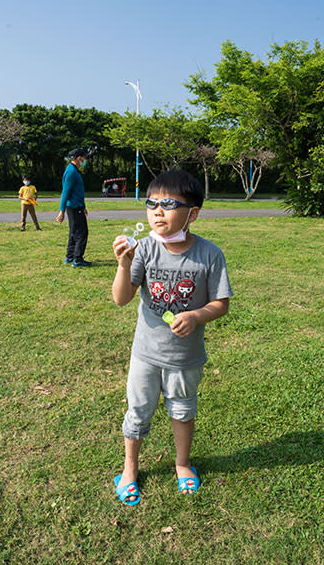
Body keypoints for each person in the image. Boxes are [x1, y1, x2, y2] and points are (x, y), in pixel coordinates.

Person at [111, 169, 233, 505]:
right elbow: (121, 298)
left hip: (185, 357)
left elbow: (220, 303)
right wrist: (123, 266)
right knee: (138, 410)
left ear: (192, 213)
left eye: (168, 204)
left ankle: (182, 464)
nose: (157, 211)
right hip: (146, 354)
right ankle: (130, 468)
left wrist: (195, 315)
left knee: (182, 409)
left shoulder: (209, 255)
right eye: (151, 203)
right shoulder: (145, 250)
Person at [56, 148, 91, 267]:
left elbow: (78, 192)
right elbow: (65, 192)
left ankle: (69, 257)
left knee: (73, 232)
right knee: (82, 233)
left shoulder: (75, 170)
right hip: (74, 208)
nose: (84, 160)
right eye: (83, 157)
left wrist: (84, 206)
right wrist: (61, 211)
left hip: (78, 206)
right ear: (78, 158)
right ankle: (77, 259)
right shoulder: (71, 172)